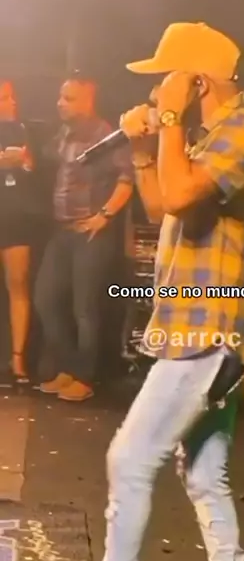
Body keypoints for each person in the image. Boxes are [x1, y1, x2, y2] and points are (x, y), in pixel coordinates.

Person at [24, 22, 244, 561]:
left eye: (167, 78)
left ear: (197, 82)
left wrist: (166, 120)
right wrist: (144, 148)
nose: (158, 90)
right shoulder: (206, 137)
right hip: (195, 323)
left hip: (212, 323)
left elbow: (184, 194)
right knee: (204, 472)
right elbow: (161, 203)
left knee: (131, 457)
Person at [34, 77, 133, 401]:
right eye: (61, 97)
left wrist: (104, 215)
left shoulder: (106, 136)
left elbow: (126, 179)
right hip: (63, 230)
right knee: (46, 300)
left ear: (88, 100)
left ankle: (85, 377)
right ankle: (69, 367)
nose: (60, 103)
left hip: (90, 232)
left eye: (69, 98)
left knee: (85, 308)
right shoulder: (63, 134)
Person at [0, 81, 37, 385]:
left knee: (18, 284)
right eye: (3, 98)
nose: (11, 103)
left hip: (15, 216)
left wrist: (23, 163)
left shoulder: (21, 129)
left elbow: (33, 169)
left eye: (12, 97)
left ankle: (18, 359)